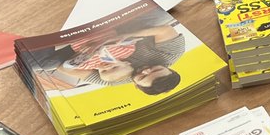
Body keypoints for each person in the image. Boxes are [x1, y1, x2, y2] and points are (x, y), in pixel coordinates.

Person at [28, 23, 185, 95]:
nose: (145, 70)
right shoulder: (170, 55)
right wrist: (128, 35)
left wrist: (89, 58)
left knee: (40, 64)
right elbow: (165, 29)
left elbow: (62, 68)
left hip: (85, 48)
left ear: (136, 85)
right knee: (157, 17)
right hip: (126, 28)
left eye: (142, 76)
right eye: (156, 69)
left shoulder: (113, 79)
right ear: (168, 68)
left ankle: (36, 30)